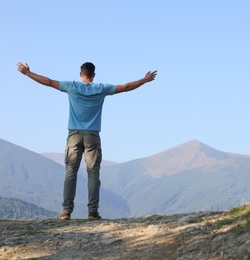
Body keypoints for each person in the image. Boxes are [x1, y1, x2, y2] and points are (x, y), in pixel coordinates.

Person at [17, 61, 157, 220]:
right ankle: (92, 212)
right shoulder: (101, 89)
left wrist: (28, 73)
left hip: (74, 135)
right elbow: (125, 87)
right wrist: (144, 80)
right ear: (94, 75)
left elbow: (48, 82)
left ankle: (66, 212)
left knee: (71, 173)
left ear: (80, 74)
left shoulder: (71, 86)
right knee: (93, 174)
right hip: (92, 135)